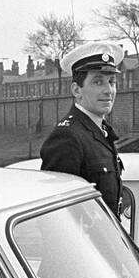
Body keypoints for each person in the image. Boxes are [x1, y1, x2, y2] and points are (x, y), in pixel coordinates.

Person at [40, 42, 126, 215]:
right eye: (98, 82)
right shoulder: (67, 138)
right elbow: (56, 215)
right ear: (76, 90)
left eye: (111, 82)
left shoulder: (101, 132)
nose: (108, 90)